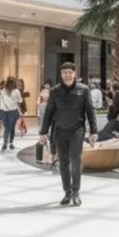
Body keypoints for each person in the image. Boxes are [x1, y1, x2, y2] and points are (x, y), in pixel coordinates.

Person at [39, 62, 98, 206]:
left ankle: (76, 192)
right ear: (61, 74)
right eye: (64, 72)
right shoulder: (55, 91)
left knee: (75, 159)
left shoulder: (83, 90)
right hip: (59, 131)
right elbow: (49, 112)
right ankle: (67, 192)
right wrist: (43, 132)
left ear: (74, 74)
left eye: (70, 72)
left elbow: (90, 111)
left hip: (77, 130)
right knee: (63, 162)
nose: (67, 75)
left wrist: (94, 131)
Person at [0, 77, 23, 152]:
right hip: (3, 112)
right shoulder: (2, 92)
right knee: (8, 127)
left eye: (12, 82)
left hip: (13, 112)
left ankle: (7, 143)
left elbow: (20, 100)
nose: (11, 84)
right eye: (10, 82)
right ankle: (9, 142)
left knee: (10, 127)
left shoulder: (16, 91)